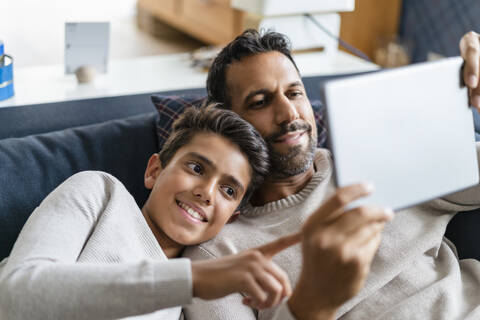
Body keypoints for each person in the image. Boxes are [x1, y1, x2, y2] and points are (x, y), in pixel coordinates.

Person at [182, 30, 480, 319]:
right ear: (231, 123)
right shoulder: (219, 253)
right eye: (260, 102)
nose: (290, 114)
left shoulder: (383, 159)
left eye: (294, 93)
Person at [0, 105, 299, 319]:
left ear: (232, 217)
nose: (206, 193)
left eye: (228, 190)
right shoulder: (100, 194)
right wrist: (192, 279)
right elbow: (13, 297)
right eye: (196, 168)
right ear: (154, 170)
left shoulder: (189, 306)